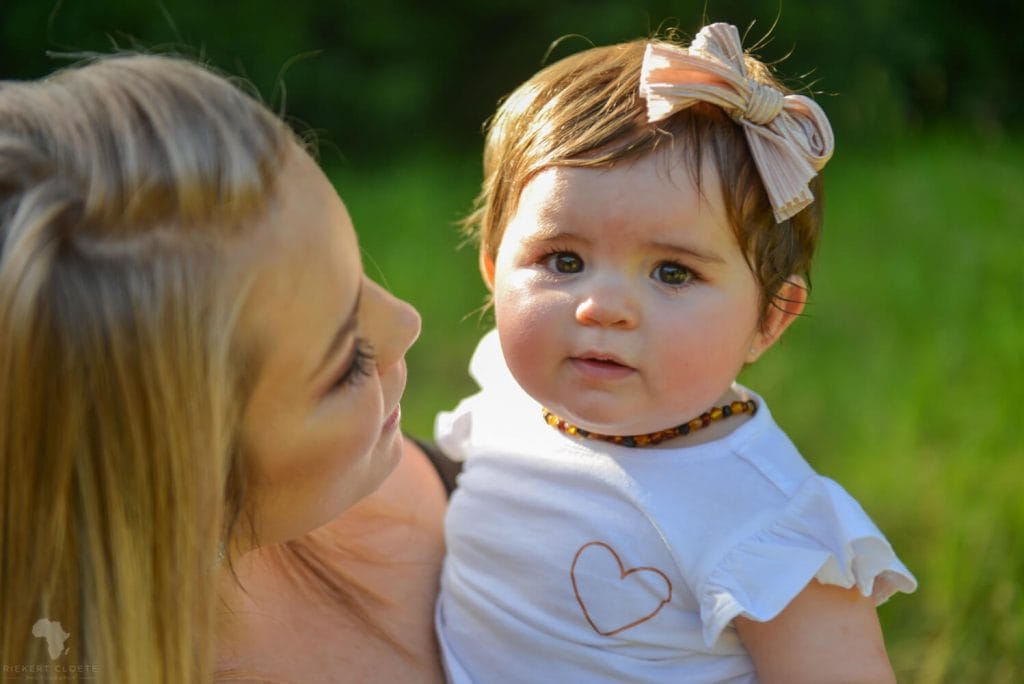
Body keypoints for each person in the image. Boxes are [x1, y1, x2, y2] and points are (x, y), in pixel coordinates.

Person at [435, 22, 917, 683]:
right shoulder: (505, 390)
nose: (603, 306)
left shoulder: (761, 518)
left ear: (769, 319)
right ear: (494, 271)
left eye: (672, 273)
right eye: (564, 260)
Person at [0, 54, 449, 682]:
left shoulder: (454, 477)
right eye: (349, 361)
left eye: (355, 272)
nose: (406, 322)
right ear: (170, 490)